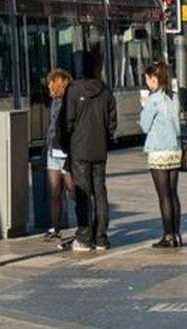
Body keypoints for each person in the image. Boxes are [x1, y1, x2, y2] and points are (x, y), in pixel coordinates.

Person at [62, 51, 116, 252]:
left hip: (79, 150)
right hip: (100, 150)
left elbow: (66, 122)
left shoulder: (73, 90)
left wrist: (66, 145)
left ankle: (85, 237)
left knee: (83, 194)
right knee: (100, 192)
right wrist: (105, 139)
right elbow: (112, 122)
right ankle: (101, 237)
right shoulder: (105, 90)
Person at [139, 61, 182, 248]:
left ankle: (167, 235)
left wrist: (143, 107)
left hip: (158, 151)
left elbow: (144, 126)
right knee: (173, 194)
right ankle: (177, 234)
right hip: (174, 149)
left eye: (147, 79)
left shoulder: (153, 99)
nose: (147, 82)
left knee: (163, 195)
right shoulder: (173, 97)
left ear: (154, 79)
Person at [44, 69, 76, 241]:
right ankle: (55, 228)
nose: (48, 85)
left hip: (65, 153)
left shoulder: (69, 102)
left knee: (72, 190)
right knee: (55, 191)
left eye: (51, 82)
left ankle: (87, 223)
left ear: (58, 84)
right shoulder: (55, 102)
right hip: (53, 152)